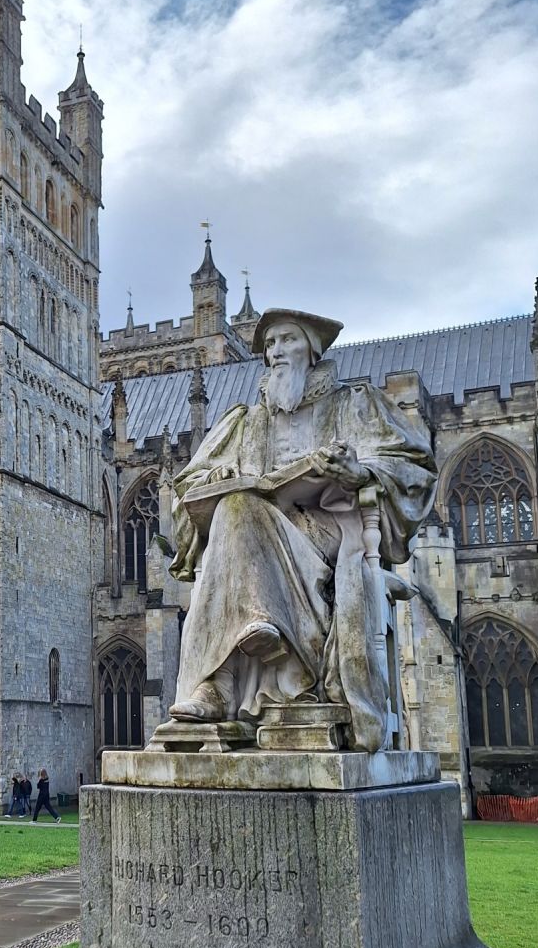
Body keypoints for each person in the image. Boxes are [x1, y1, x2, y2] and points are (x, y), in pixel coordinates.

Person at [168, 309, 435, 752]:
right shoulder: (245, 421)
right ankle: (245, 644)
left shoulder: (353, 406)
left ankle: (220, 682)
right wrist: (217, 478)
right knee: (237, 507)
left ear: (312, 348)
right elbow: (186, 488)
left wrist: (359, 471)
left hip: (329, 532)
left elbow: (414, 467)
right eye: (269, 344)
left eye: (286, 340)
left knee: (240, 515)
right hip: (253, 535)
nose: (275, 352)